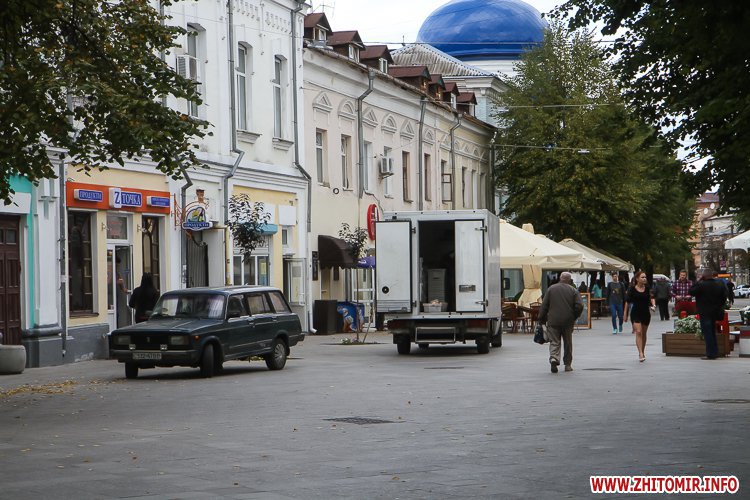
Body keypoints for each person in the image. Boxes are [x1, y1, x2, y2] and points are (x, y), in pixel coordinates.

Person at [538, 271, 583, 373]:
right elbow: (580, 306)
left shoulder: (551, 289)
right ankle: (567, 364)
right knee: (568, 343)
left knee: (554, 341)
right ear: (570, 280)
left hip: (553, 320)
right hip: (568, 321)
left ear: (560, 278)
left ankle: (554, 358)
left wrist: (541, 319)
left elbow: (544, 306)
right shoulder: (573, 290)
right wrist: (574, 316)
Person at [689, 268, 729, 360]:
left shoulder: (701, 285)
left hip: (705, 312)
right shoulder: (719, 284)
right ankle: (715, 352)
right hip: (715, 312)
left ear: (703, 276)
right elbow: (724, 296)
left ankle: (710, 353)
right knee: (712, 332)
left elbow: (691, 291)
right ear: (712, 275)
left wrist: (698, 281)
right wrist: (719, 305)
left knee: (707, 333)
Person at [624, 271, 655, 362]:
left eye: (645, 277)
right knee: (638, 332)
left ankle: (642, 351)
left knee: (644, 334)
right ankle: (640, 353)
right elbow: (627, 302)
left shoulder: (647, 288)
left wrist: (653, 305)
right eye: (642, 277)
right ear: (637, 279)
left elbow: (652, 298)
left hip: (645, 313)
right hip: (635, 313)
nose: (644, 279)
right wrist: (625, 314)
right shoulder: (632, 289)